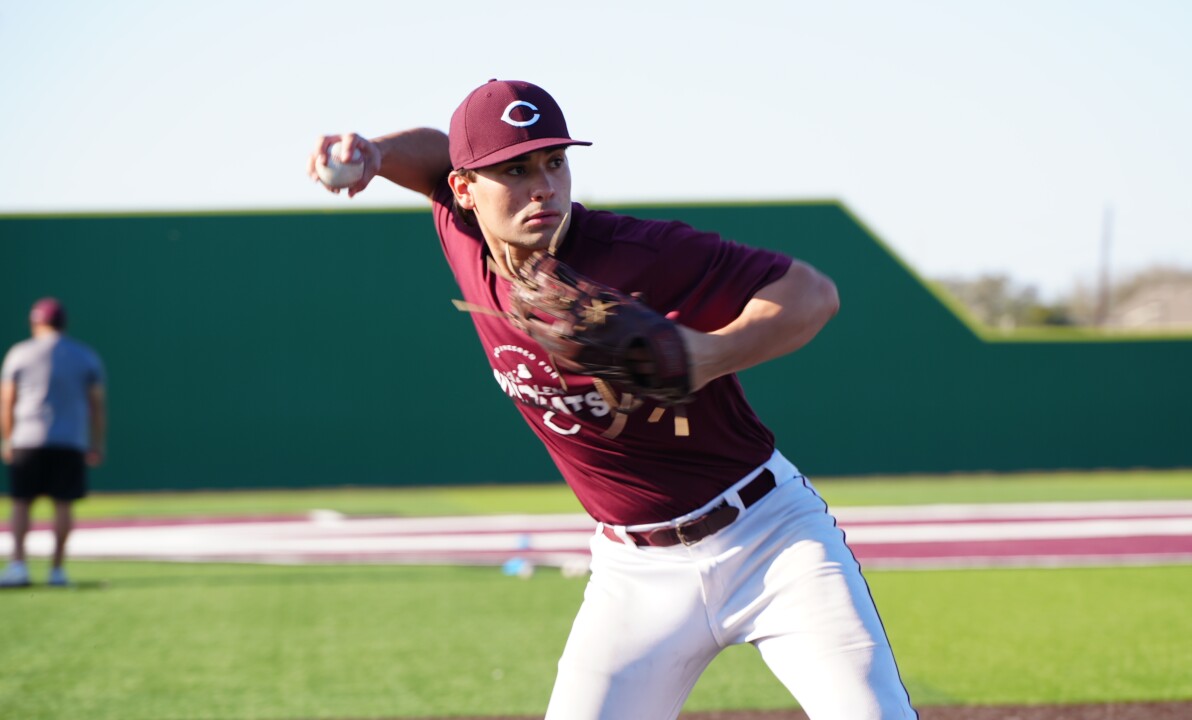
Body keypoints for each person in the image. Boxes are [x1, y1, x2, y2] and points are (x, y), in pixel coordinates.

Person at [308, 79, 917, 719]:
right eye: (513, 170)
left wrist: (704, 355)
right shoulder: (462, 234)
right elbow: (436, 153)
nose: (542, 185)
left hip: (772, 540)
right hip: (635, 574)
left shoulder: (640, 252)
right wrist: (374, 154)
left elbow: (812, 295)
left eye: (554, 162)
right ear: (465, 192)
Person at [1, 298, 107, 588]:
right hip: (70, 441)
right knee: (63, 504)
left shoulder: (19, 353)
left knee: (22, 502)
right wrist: (96, 442)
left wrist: (7, 439)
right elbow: (97, 405)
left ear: (36, 322)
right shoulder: (85, 356)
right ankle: (57, 570)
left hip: (27, 439)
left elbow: (7, 401)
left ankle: (18, 566)